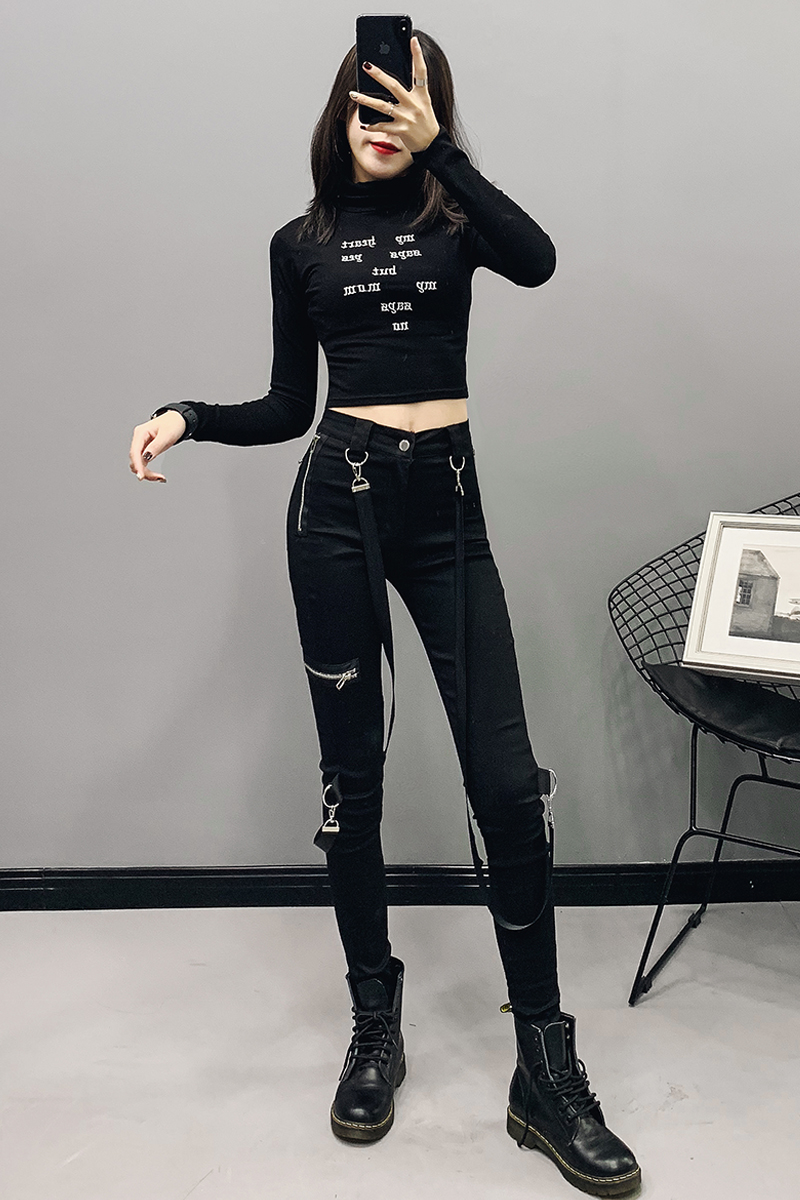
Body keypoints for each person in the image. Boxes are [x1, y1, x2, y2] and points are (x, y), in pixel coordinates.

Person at [128, 31, 641, 1197]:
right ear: (338, 107)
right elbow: (284, 404)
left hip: (446, 513)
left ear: (427, 109)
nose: (380, 114)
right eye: (365, 96)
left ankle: (543, 1067)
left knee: (506, 785)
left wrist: (440, 153)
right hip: (334, 513)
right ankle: (375, 1021)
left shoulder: (457, 223)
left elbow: (538, 260)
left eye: (402, 96)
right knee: (347, 782)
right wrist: (189, 415)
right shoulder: (298, 242)